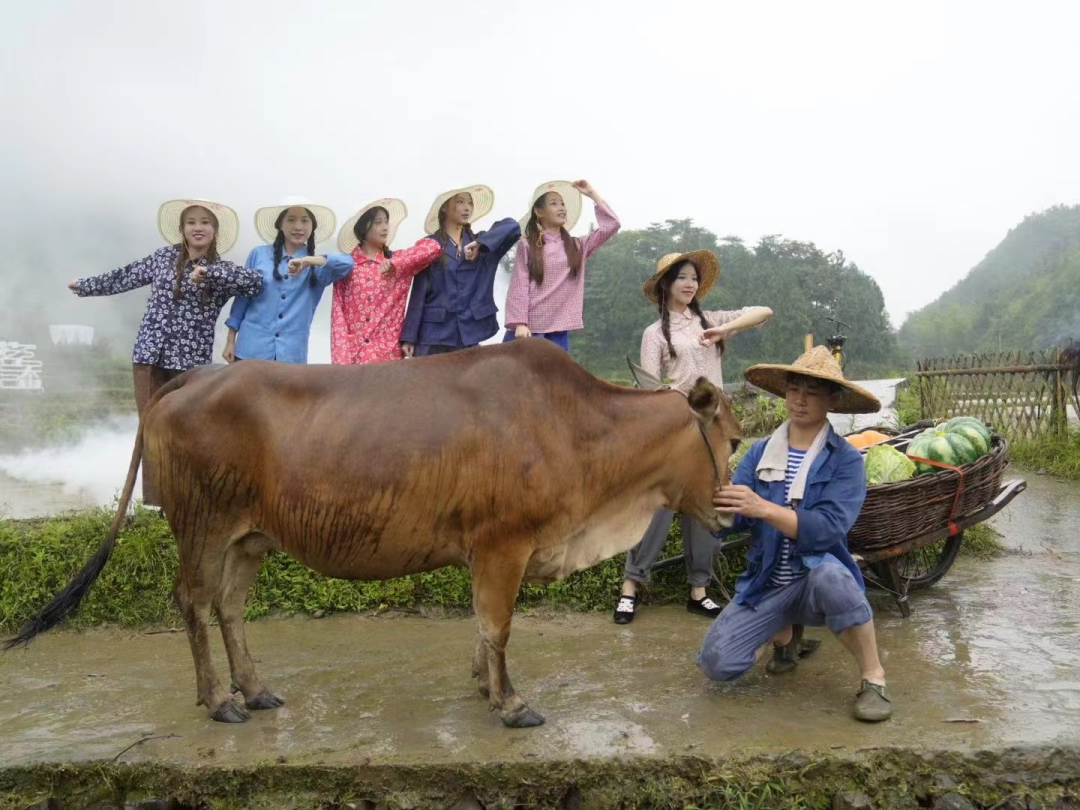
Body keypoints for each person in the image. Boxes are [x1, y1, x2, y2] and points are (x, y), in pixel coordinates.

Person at [699, 346, 893, 722]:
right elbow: (737, 516)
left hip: (816, 579)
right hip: (767, 583)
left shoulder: (845, 460)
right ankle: (786, 637)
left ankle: (874, 677)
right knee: (716, 663)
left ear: (832, 399)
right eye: (793, 389)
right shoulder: (759, 455)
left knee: (831, 575)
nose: (799, 400)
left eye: (812, 392)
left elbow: (827, 529)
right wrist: (709, 504)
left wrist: (764, 508)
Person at [68, 198, 262, 505]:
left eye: (205, 222)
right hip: (148, 356)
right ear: (182, 229)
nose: (198, 228)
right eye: (191, 222)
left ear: (215, 230)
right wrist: (85, 285)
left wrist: (209, 274)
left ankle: (188, 498)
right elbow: (125, 276)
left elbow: (255, 283)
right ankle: (159, 502)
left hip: (191, 365)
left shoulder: (221, 269)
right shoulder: (162, 258)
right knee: (152, 430)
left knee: (188, 430)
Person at [614, 250, 773, 624]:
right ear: (666, 285)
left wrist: (725, 330)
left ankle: (698, 591)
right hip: (677, 428)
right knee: (660, 507)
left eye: (694, 278)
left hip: (714, 428)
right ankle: (630, 587)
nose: (690, 284)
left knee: (707, 508)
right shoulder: (654, 334)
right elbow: (649, 390)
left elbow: (764, 311)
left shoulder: (710, 320)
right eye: (682, 277)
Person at [224, 200, 352, 364]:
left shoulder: (317, 267)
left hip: (291, 356)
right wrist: (230, 341)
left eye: (305, 220)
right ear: (280, 225)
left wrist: (307, 260)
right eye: (291, 219)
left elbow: (348, 263)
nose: (298, 226)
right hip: (250, 350)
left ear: (312, 226)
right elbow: (242, 300)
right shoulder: (259, 254)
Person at [400, 185, 520, 357]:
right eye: (460, 202)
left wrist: (481, 243)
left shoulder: (483, 245)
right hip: (433, 336)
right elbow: (418, 295)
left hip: (470, 333)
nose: (467, 208)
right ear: (444, 208)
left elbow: (513, 227)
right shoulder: (430, 245)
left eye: (470, 203)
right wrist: (409, 337)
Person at [502, 179, 619, 352]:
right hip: (528, 329)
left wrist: (592, 193)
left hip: (558, 330)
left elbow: (612, 226)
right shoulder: (527, 245)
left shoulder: (578, 246)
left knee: (555, 379)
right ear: (539, 211)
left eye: (563, 204)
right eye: (554, 204)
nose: (562, 208)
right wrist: (520, 323)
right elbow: (519, 285)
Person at [331, 199, 441, 364]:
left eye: (386, 222)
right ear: (363, 227)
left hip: (388, 358)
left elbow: (433, 247)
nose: (385, 227)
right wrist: (341, 365)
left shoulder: (398, 263)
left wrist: (396, 263)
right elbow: (338, 318)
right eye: (378, 222)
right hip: (354, 359)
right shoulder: (347, 267)